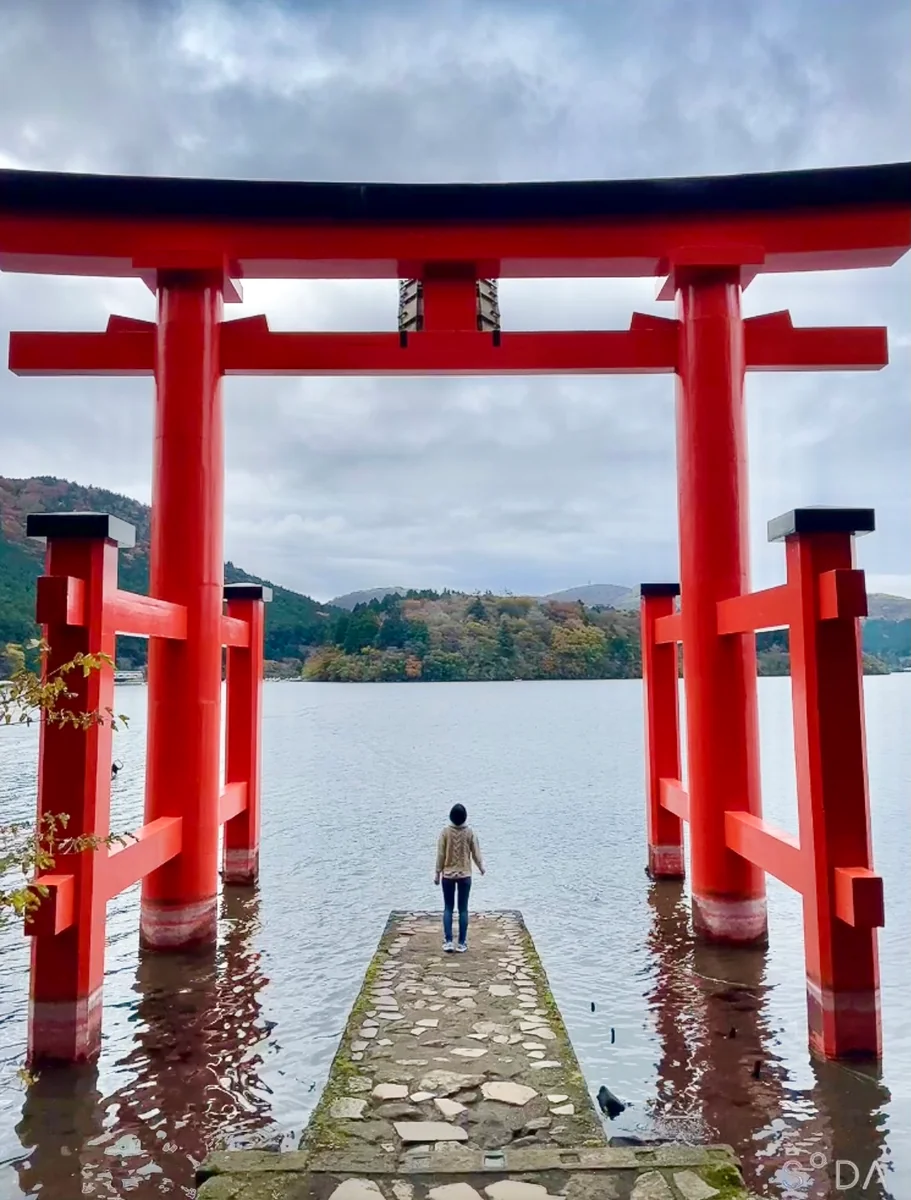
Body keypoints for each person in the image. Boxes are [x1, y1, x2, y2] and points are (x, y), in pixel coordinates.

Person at [434, 803, 485, 953]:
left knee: (448, 908)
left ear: (451, 817)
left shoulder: (445, 833)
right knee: (463, 909)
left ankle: (448, 941)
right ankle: (462, 943)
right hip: (465, 875)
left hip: (448, 876)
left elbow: (440, 855)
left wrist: (437, 873)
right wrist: (481, 867)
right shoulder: (470, 833)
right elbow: (476, 853)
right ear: (465, 817)